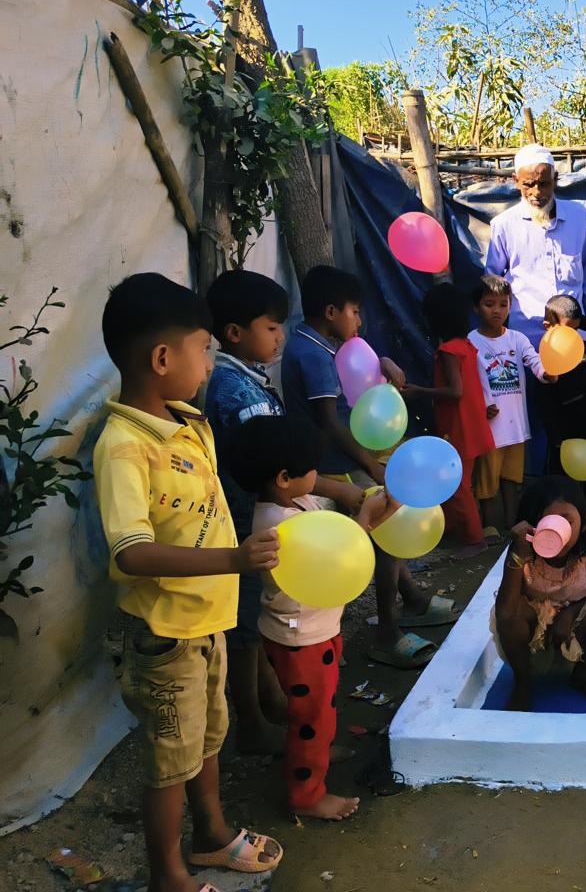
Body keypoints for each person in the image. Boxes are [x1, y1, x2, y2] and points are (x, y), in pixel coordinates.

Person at [94, 273, 283, 892]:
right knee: (169, 764)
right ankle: (167, 876)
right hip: (165, 635)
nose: (210, 364)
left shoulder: (188, 423)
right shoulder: (125, 447)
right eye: (204, 348)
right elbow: (134, 554)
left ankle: (211, 837)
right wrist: (233, 561)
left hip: (206, 622)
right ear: (162, 358)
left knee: (207, 740)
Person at [203, 268, 369, 755]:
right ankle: (257, 722)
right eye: (271, 327)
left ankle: (273, 706)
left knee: (255, 619)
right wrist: (338, 493)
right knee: (249, 622)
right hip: (246, 522)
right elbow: (277, 467)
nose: (280, 336)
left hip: (256, 514)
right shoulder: (237, 394)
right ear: (235, 334)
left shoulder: (245, 380)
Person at [228, 414, 395, 822]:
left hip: (313, 630)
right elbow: (337, 558)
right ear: (285, 477)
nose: (317, 475)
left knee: (318, 711)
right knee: (312, 717)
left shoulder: (290, 504)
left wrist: (370, 513)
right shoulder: (280, 528)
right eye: (311, 470)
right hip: (301, 638)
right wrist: (366, 522)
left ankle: (314, 749)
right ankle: (307, 794)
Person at [280, 265, 436, 670]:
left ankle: (414, 598)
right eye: (355, 311)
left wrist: (382, 359)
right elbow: (330, 423)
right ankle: (386, 631)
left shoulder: (316, 343)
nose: (360, 320)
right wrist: (373, 464)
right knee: (388, 531)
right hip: (336, 462)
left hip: (345, 457)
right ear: (332, 311)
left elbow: (356, 373)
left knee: (388, 527)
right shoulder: (313, 355)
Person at [493, 476, 586, 711]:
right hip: (528, 641)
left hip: (569, 636)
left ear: (583, 524)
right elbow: (504, 613)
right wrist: (517, 553)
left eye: (567, 521)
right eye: (548, 522)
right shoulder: (523, 555)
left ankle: (582, 675)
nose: (558, 531)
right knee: (511, 611)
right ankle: (523, 682)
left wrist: (570, 614)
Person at [403, 282, 495, 558]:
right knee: (457, 481)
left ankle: (475, 540)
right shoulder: (465, 345)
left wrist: (419, 391)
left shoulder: (448, 352)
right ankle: (453, 529)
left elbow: (456, 391)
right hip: (470, 424)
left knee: (456, 484)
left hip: (459, 427)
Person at [485, 144, 586, 346]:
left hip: (572, 335)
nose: (536, 192)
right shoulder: (504, 225)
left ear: (555, 180)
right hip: (525, 339)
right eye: (528, 184)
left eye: (544, 184)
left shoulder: (578, 217)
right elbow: (492, 284)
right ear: (516, 181)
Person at [468, 274, 552, 535]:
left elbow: (534, 360)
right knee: (486, 483)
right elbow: (468, 381)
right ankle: (490, 527)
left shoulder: (517, 339)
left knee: (512, 480)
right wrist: (482, 406)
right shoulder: (472, 341)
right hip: (489, 428)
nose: (497, 310)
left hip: (516, 426)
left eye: (503, 304)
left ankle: (512, 526)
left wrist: (546, 373)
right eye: (489, 304)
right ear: (476, 307)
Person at [540, 294, 586, 490]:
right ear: (548, 326)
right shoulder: (544, 360)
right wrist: (555, 438)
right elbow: (545, 402)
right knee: (561, 478)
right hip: (564, 429)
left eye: (575, 330)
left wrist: (581, 321)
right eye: (567, 330)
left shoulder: (582, 350)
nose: (572, 335)